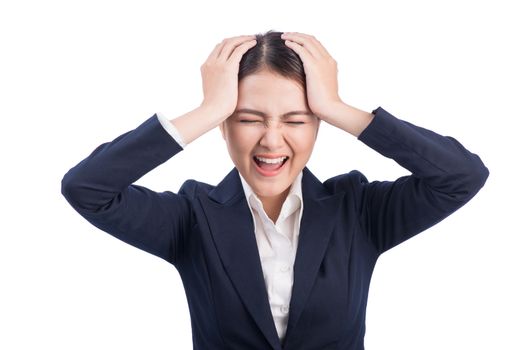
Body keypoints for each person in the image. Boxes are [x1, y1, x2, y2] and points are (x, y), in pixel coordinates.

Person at [61, 30, 489, 350]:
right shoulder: (192, 217)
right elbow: (87, 188)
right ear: (222, 128)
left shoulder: (358, 210)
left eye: (296, 120)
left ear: (319, 124)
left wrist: (339, 107)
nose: (271, 140)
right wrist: (207, 108)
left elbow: (460, 177)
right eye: (248, 119)